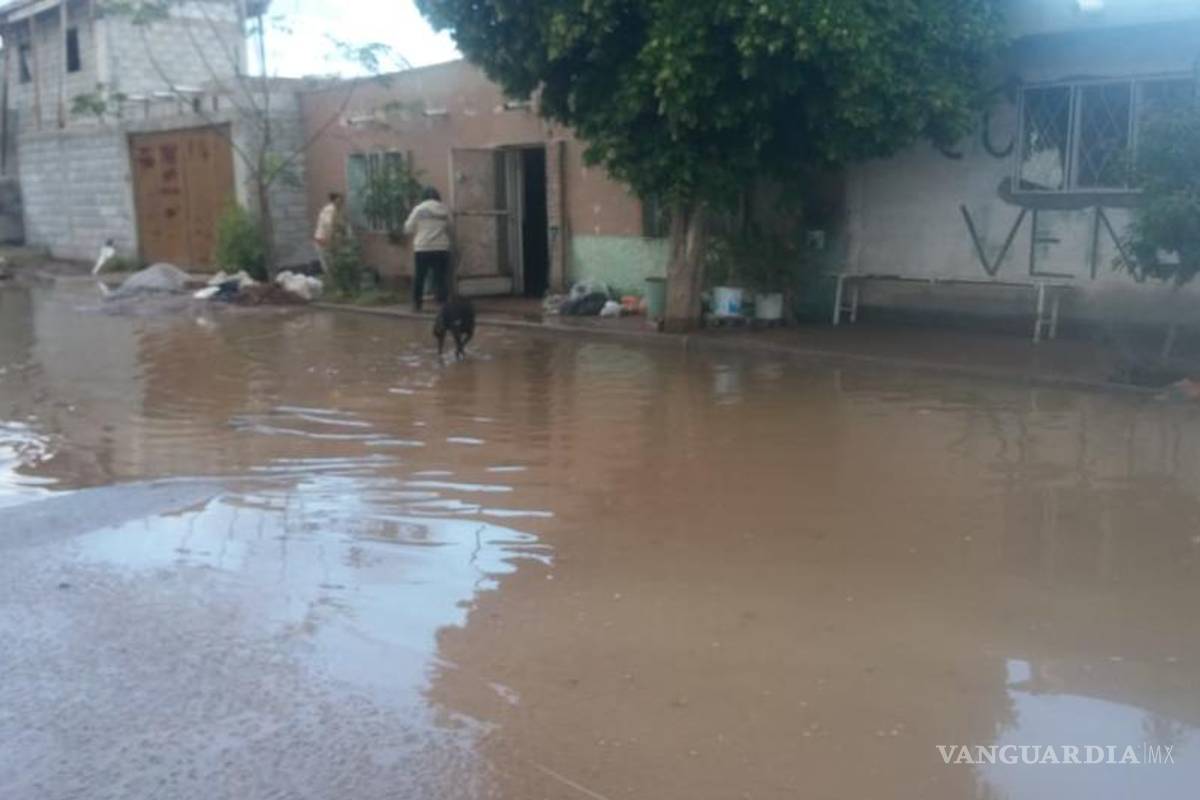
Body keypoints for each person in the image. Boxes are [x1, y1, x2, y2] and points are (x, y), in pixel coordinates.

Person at [403, 186, 453, 311]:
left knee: (420, 276)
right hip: (441, 247)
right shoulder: (444, 209)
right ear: (437, 196)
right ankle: (442, 304)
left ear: (423, 196)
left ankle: (417, 304)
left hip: (422, 248)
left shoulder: (419, 209)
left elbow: (408, 228)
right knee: (440, 277)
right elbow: (451, 227)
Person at [313, 192, 344, 275]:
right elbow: (328, 224)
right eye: (339, 200)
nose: (341, 202)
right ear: (334, 200)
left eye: (342, 200)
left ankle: (331, 280)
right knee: (328, 264)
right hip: (323, 240)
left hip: (324, 239)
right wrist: (331, 239)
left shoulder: (334, 209)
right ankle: (331, 281)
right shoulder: (330, 209)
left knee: (329, 263)